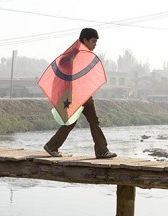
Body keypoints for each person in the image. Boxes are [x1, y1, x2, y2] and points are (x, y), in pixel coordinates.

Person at [43, 28, 116, 159]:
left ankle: (52, 146)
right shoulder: (72, 55)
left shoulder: (79, 54)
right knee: (92, 121)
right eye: (93, 41)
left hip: (80, 94)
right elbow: (63, 69)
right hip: (75, 95)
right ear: (85, 40)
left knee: (75, 122)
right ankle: (101, 151)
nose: (95, 44)